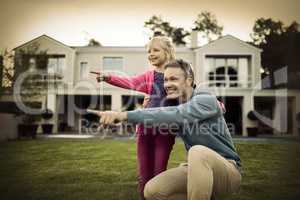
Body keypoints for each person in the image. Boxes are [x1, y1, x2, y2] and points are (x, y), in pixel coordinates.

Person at [89, 59, 241, 200]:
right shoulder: (174, 105)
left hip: (227, 170)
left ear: (189, 80)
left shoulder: (205, 99)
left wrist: (124, 115)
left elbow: (177, 115)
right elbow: (159, 115)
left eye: (174, 79)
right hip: (196, 169)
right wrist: (143, 106)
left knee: (198, 151)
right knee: (152, 190)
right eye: (166, 80)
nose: (167, 84)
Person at [95, 36, 178, 200]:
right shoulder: (149, 76)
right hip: (145, 132)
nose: (151, 54)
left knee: (159, 176)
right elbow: (130, 81)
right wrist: (108, 77)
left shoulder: (177, 74)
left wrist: (215, 103)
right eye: (149, 51)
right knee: (144, 177)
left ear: (167, 51)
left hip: (165, 133)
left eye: (155, 50)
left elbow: (193, 94)